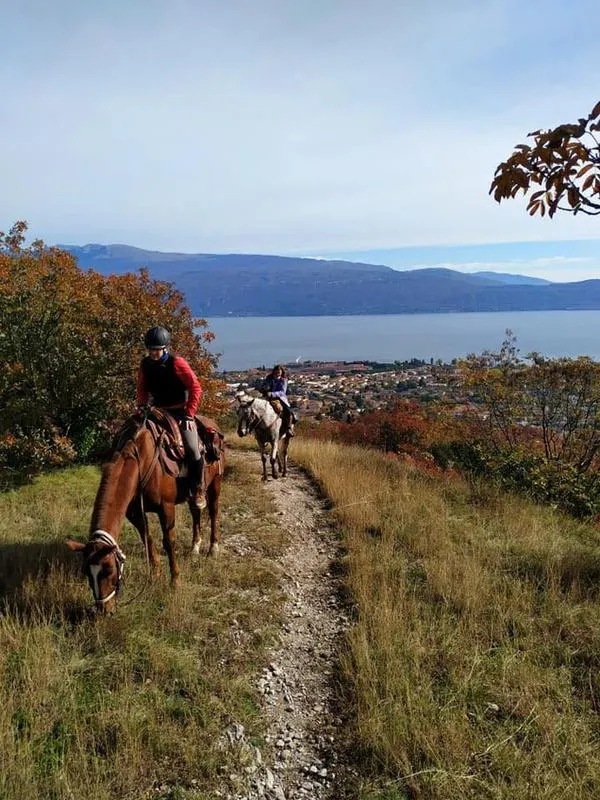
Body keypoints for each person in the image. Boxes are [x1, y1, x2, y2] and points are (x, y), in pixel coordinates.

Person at [136, 326, 206, 509]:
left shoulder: (177, 363)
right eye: (151, 349)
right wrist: (141, 406)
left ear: (165, 348)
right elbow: (142, 388)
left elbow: (195, 388)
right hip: (156, 411)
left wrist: (189, 414)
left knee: (192, 448)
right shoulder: (145, 365)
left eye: (157, 349)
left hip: (179, 412)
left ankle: (198, 489)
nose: (153, 353)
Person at [261, 364, 297, 436]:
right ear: (274, 371)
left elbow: (282, 392)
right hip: (268, 398)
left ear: (282, 372)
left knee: (288, 412)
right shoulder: (269, 378)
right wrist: (264, 388)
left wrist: (272, 394)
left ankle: (288, 428)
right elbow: (265, 385)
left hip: (280, 399)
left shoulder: (283, 380)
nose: (278, 372)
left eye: (280, 371)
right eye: (277, 370)